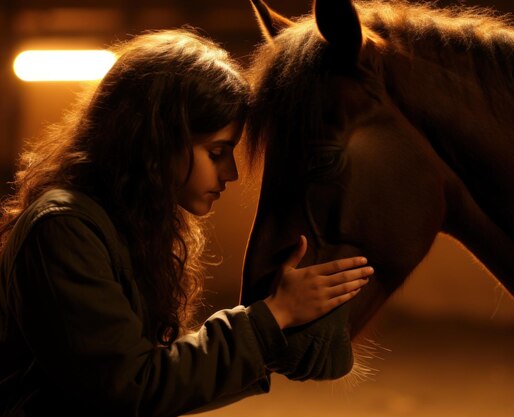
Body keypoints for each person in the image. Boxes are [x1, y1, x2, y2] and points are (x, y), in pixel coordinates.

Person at [0, 28, 373, 417]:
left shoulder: (125, 224)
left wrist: (275, 328)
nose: (231, 173)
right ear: (157, 139)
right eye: (217, 152)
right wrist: (273, 316)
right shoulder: (63, 229)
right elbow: (134, 385)